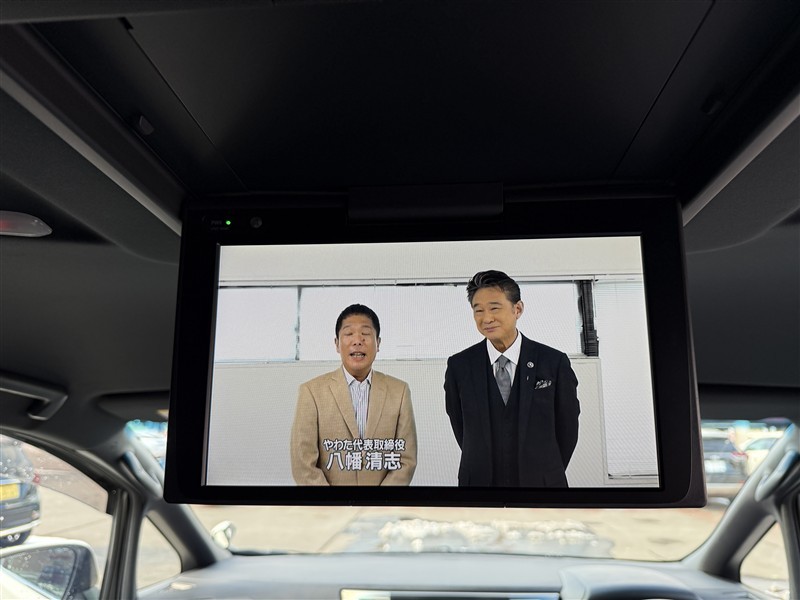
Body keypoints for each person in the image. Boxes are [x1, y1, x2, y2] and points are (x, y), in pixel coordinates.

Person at [444, 270, 580, 487]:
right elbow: (460, 426)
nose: (486, 318)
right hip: (479, 485)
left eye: (494, 308)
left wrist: (546, 469)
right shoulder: (459, 366)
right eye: (478, 310)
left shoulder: (553, 362)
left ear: (518, 309)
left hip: (542, 485)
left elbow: (568, 428)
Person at [291, 304, 417, 485]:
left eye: (365, 334)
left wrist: (377, 501)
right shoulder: (311, 392)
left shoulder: (399, 391)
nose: (357, 340)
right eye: (349, 334)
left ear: (378, 343)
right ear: (337, 344)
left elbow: (406, 460)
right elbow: (303, 464)